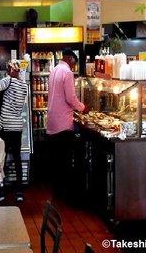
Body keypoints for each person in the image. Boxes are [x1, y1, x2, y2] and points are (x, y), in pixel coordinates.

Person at [46, 49, 85, 198]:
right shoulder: (67, 73)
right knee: (65, 159)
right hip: (63, 123)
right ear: (69, 59)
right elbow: (70, 98)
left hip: (52, 121)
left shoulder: (54, 70)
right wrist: (82, 108)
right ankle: (65, 193)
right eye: (74, 62)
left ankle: (56, 189)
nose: (74, 66)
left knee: (56, 159)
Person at [0, 59, 28, 202]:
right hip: (17, 126)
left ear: (11, 70)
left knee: (2, 157)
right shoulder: (24, 85)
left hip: (5, 125)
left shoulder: (8, 80)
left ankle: (1, 189)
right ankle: (19, 191)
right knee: (17, 158)